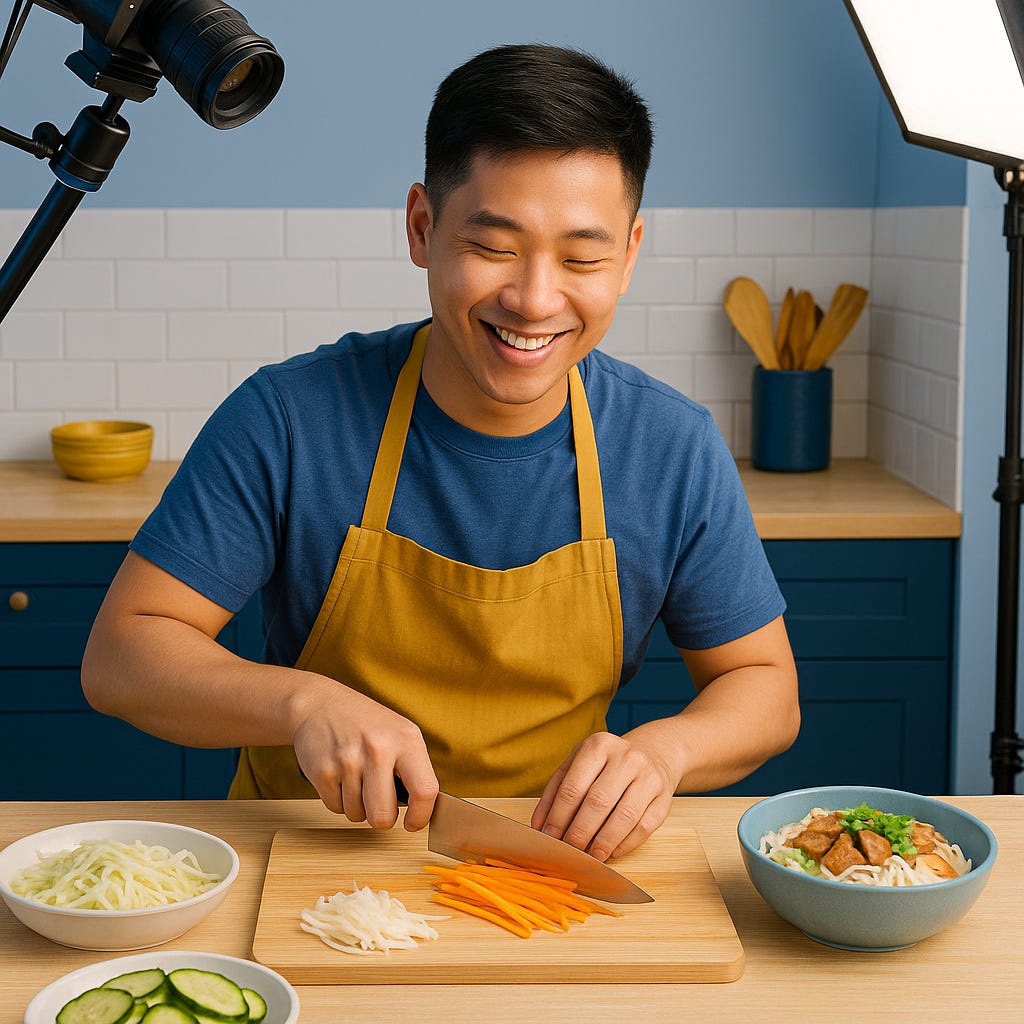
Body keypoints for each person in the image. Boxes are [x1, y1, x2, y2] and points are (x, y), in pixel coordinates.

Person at [81, 43, 799, 863]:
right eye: (494, 246)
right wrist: (299, 703)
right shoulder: (287, 419)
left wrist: (665, 752)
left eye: (582, 258)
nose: (534, 298)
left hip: (549, 862)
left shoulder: (670, 446)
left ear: (630, 255)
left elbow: (766, 689)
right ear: (423, 227)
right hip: (308, 858)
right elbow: (121, 655)